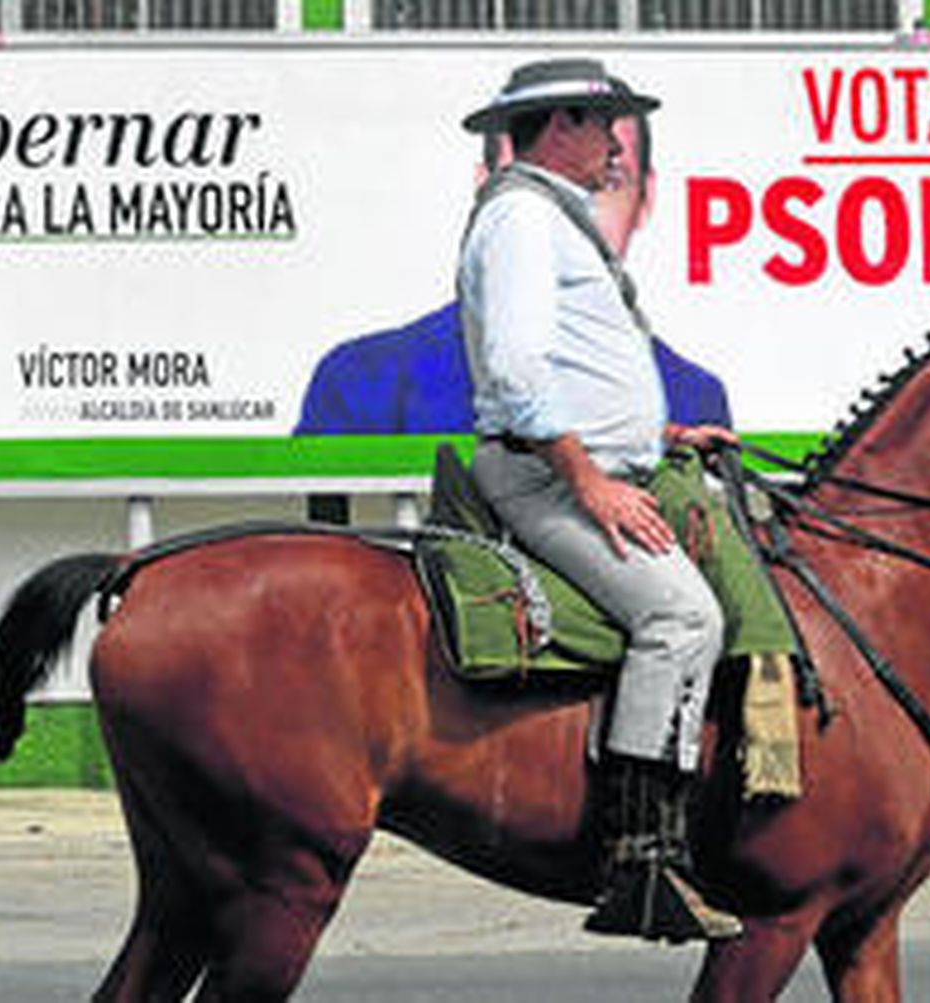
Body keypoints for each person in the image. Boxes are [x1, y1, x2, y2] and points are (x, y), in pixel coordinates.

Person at [458, 58, 743, 943]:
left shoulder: (552, 220)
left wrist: (653, 442)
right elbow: (514, 368)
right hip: (545, 480)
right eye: (604, 124)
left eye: (619, 128)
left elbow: (573, 370)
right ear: (558, 127)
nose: (619, 146)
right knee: (684, 618)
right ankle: (641, 861)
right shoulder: (519, 221)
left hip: (588, 464)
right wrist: (591, 479)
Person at [293, 95, 730, 435]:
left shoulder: (692, 398)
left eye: (605, 185)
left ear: (644, 201)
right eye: (528, 186)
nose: (559, 213)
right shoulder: (361, 383)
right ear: (485, 191)